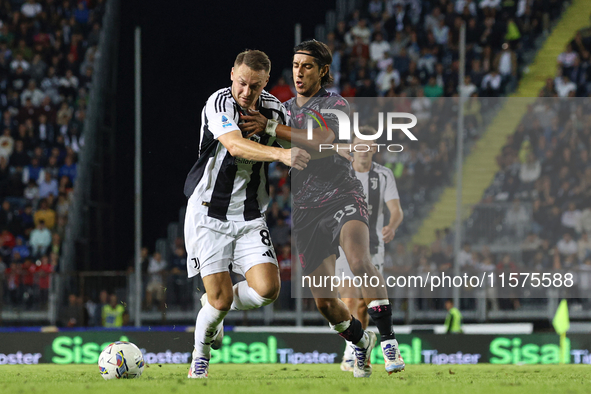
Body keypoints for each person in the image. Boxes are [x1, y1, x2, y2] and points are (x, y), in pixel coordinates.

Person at [240, 40, 405, 377]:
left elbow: (321, 140)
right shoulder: (282, 108)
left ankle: (388, 342)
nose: (299, 72)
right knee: (326, 303)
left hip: (343, 195)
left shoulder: (336, 104)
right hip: (305, 211)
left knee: (360, 262)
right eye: (296, 65)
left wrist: (271, 128)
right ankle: (361, 342)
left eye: (308, 66)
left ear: (323, 71)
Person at [184, 49, 310, 378]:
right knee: (221, 301)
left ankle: (213, 304)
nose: (246, 92)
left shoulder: (273, 109)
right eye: (241, 83)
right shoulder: (219, 103)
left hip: (250, 215)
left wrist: (276, 131)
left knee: (268, 289)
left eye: (254, 86)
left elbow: (301, 146)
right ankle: (200, 356)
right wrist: (280, 156)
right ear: (231, 75)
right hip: (209, 214)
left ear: (266, 83)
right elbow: (235, 145)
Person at [336, 127, 403, 372]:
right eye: (359, 145)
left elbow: (396, 209)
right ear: (353, 148)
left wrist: (392, 226)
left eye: (369, 145)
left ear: (374, 148)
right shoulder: (341, 173)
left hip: (374, 246)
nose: (364, 150)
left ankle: (357, 350)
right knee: (350, 298)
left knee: (365, 303)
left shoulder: (384, 175)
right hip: (343, 246)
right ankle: (353, 349)